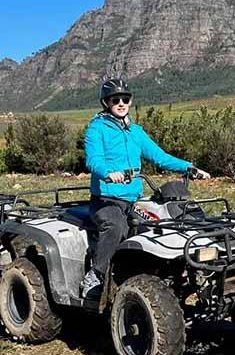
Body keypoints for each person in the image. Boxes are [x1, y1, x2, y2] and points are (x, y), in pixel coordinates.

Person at [80, 77, 209, 297]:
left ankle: (177, 273)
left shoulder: (136, 131)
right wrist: (108, 173)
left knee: (166, 223)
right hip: (106, 200)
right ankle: (95, 276)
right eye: (115, 99)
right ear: (106, 103)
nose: (121, 103)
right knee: (115, 227)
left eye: (125, 99)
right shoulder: (97, 129)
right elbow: (93, 160)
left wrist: (189, 167)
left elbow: (159, 157)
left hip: (133, 199)